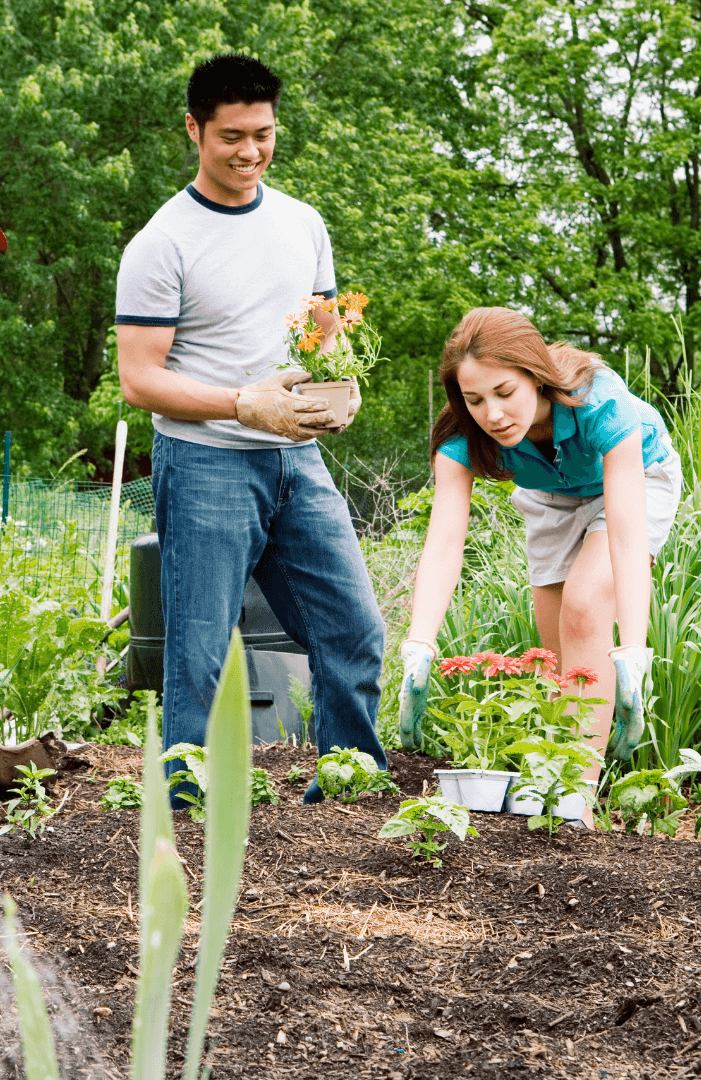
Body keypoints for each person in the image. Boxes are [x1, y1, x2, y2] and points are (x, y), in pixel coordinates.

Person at [115, 53, 385, 804]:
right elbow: (141, 377)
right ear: (195, 129)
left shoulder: (303, 223)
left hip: (298, 463)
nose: (249, 152)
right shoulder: (162, 243)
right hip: (205, 463)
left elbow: (326, 331)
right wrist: (242, 404)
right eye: (231, 136)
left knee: (353, 631)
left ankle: (350, 791)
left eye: (263, 134)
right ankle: (187, 806)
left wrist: (342, 388)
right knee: (199, 654)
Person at [397, 307, 683, 787]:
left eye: (505, 393)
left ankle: (579, 800)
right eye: (475, 399)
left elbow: (628, 535)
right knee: (558, 660)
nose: (492, 414)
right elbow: (444, 541)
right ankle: (559, 789)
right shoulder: (460, 434)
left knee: (586, 602)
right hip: (550, 495)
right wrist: (419, 644)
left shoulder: (600, 403)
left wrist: (634, 650)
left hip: (636, 479)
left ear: (536, 376)